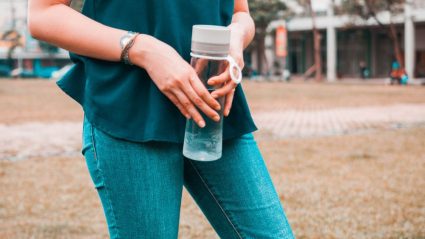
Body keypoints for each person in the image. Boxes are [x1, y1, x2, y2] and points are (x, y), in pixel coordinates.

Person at [28, 0, 294, 238]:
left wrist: (236, 37)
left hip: (214, 110)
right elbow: (44, 14)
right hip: (130, 113)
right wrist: (142, 48)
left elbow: (240, 13)